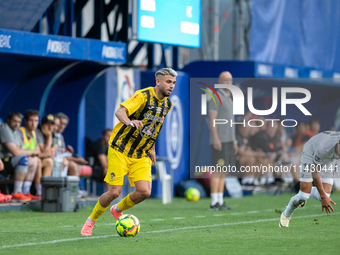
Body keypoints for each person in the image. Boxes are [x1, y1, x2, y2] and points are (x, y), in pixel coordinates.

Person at [81, 67, 176, 236]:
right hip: (120, 148)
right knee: (114, 192)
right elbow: (120, 112)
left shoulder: (168, 105)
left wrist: (152, 147)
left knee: (144, 192)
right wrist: (129, 122)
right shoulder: (143, 96)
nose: (172, 86)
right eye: (168, 82)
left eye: (174, 83)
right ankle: (90, 221)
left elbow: (154, 127)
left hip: (141, 153)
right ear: (158, 81)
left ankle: (117, 210)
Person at [279, 131, 338, 227]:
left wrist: (323, 196)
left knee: (325, 195)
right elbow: (314, 171)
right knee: (304, 196)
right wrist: (323, 197)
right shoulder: (323, 148)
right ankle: (286, 214)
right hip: (310, 156)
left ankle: (308, 190)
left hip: (328, 160)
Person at [208, 71, 238, 210]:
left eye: (230, 81)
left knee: (223, 171)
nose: (228, 83)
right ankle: (214, 202)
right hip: (220, 139)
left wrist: (234, 140)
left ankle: (220, 201)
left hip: (228, 140)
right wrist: (215, 138)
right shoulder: (216, 96)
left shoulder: (229, 98)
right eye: (225, 81)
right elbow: (212, 119)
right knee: (217, 170)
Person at [0, 112, 39, 202]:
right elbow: (16, 152)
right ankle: (17, 192)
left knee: (33, 160)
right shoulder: (5, 129)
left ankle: (25, 191)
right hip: (3, 161)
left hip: (10, 162)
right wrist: (34, 151)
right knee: (23, 159)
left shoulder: (16, 131)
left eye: (18, 122)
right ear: (8, 120)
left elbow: (23, 149)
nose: (17, 124)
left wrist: (31, 153)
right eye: (14, 121)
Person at [19, 110, 54, 198]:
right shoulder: (20, 131)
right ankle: (36, 191)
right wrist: (49, 137)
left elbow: (39, 152)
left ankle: (44, 190)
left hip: (31, 160)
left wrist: (37, 153)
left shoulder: (33, 133)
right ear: (25, 121)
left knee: (49, 161)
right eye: (31, 120)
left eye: (35, 121)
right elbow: (39, 153)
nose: (33, 123)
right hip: (20, 161)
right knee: (37, 160)